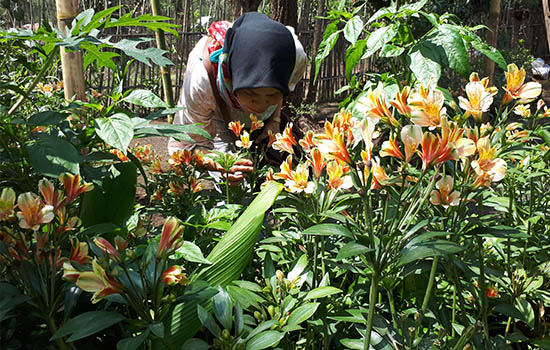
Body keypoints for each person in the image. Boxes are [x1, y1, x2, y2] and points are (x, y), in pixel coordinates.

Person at [168, 12, 307, 185]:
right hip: (218, 114)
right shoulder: (202, 79)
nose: (262, 105)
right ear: (231, 79)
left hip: (257, 116)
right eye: (252, 94)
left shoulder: (295, 57)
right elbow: (186, 145)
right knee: (232, 186)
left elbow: (280, 85)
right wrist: (218, 164)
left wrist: (274, 121)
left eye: (272, 94)